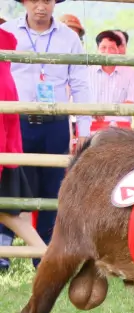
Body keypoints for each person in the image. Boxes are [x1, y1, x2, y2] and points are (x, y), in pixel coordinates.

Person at [1, 0, 91, 263]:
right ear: (24, 3)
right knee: (15, 183)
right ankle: (5, 251)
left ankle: (45, 255)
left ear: (55, 3)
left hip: (55, 120)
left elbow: (79, 82)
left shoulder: (69, 38)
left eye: (47, 0)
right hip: (17, 120)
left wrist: (82, 128)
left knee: (53, 188)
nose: (41, 6)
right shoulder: (8, 32)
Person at [0, 24, 46, 272]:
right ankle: (50, 259)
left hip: (4, 149)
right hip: (8, 148)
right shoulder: (7, 58)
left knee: (11, 214)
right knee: (15, 214)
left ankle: (50, 259)